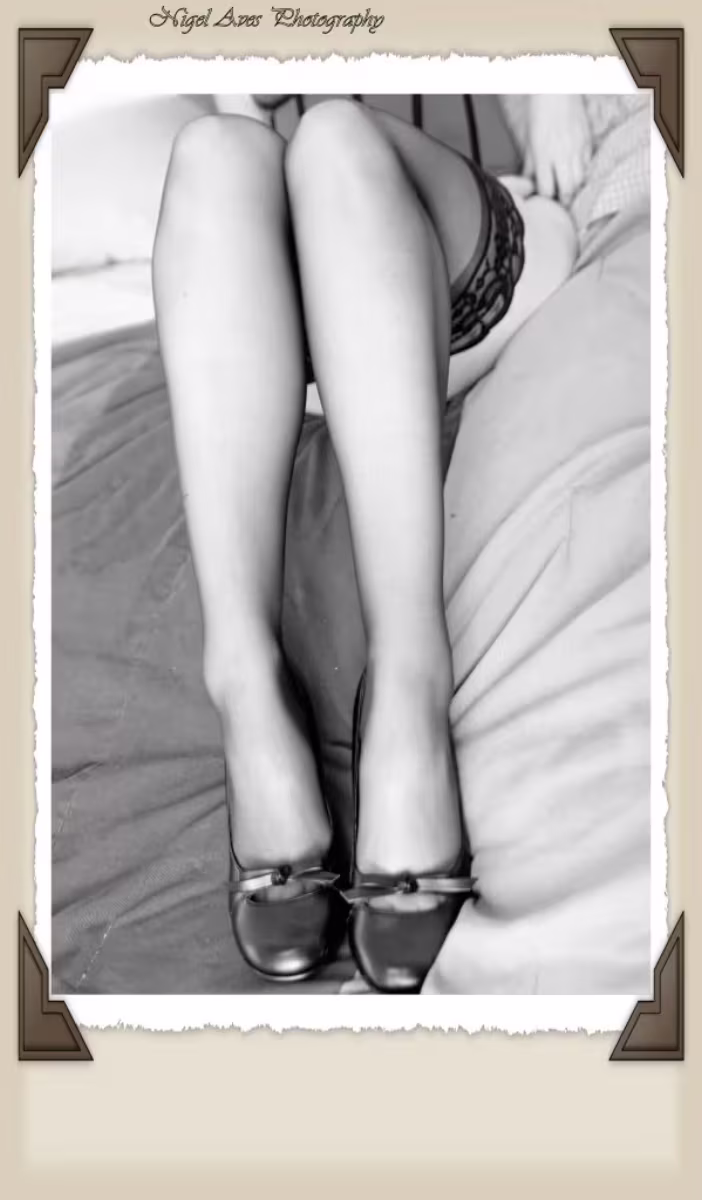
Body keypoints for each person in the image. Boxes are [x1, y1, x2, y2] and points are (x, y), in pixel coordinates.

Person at [151, 95, 577, 991]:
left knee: (334, 135)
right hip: (290, 324)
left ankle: (408, 686)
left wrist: (553, 92)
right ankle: (247, 689)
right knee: (211, 152)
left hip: (455, 262)